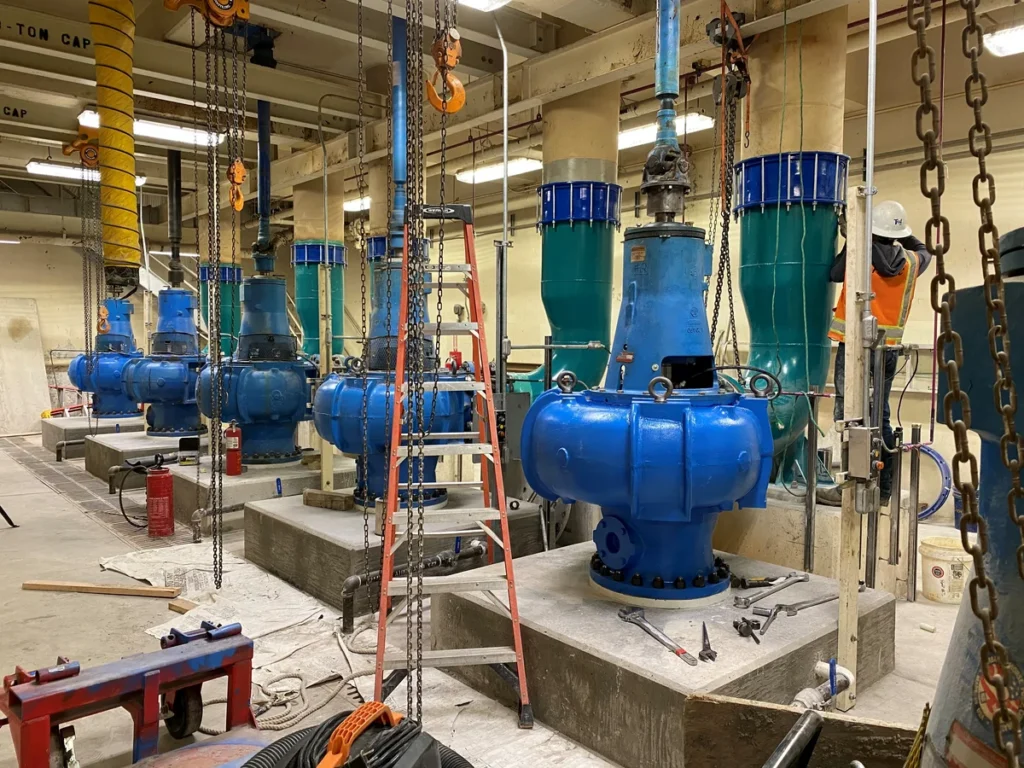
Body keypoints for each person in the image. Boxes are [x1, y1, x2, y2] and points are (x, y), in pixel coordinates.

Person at [816, 200, 931, 508]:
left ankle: (851, 487)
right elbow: (924, 247)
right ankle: (883, 490)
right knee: (880, 416)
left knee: (849, 414)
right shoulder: (912, 261)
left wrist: (855, 237)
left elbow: (833, 273)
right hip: (888, 350)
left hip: (854, 347)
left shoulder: (859, 257)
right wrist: (893, 233)